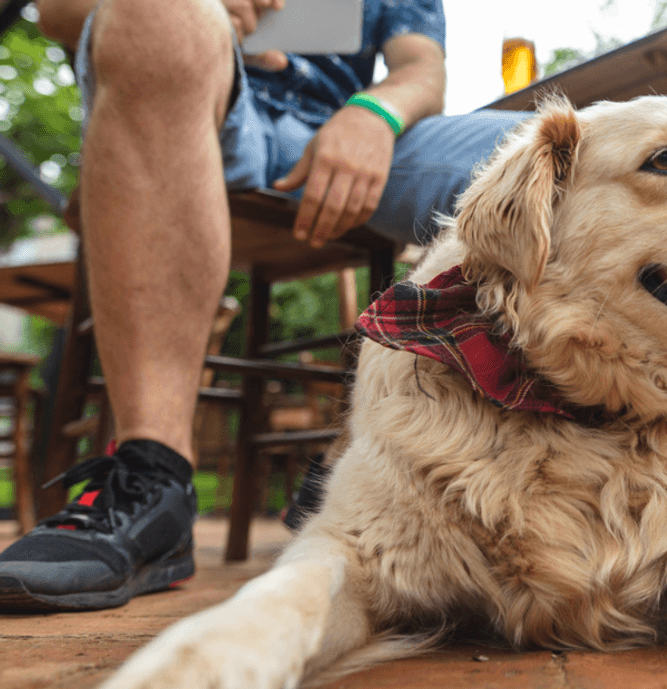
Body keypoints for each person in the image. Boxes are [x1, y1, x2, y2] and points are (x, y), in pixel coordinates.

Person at [0, 0, 527, 611]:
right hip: (211, 105)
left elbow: (422, 69)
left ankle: (404, 465)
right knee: (159, 13)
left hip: (359, 132)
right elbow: (59, 13)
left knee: (566, 154)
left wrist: (375, 111)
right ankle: (153, 476)